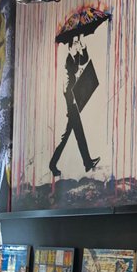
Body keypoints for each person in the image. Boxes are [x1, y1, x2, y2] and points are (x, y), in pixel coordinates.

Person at [49, 35, 100, 177]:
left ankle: (84, 163)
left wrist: (84, 47)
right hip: (70, 101)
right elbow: (66, 84)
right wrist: (71, 101)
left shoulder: (75, 56)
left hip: (73, 101)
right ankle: (86, 163)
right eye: (76, 43)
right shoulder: (67, 60)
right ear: (70, 46)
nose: (78, 45)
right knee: (75, 134)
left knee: (70, 135)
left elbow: (85, 60)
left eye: (78, 43)